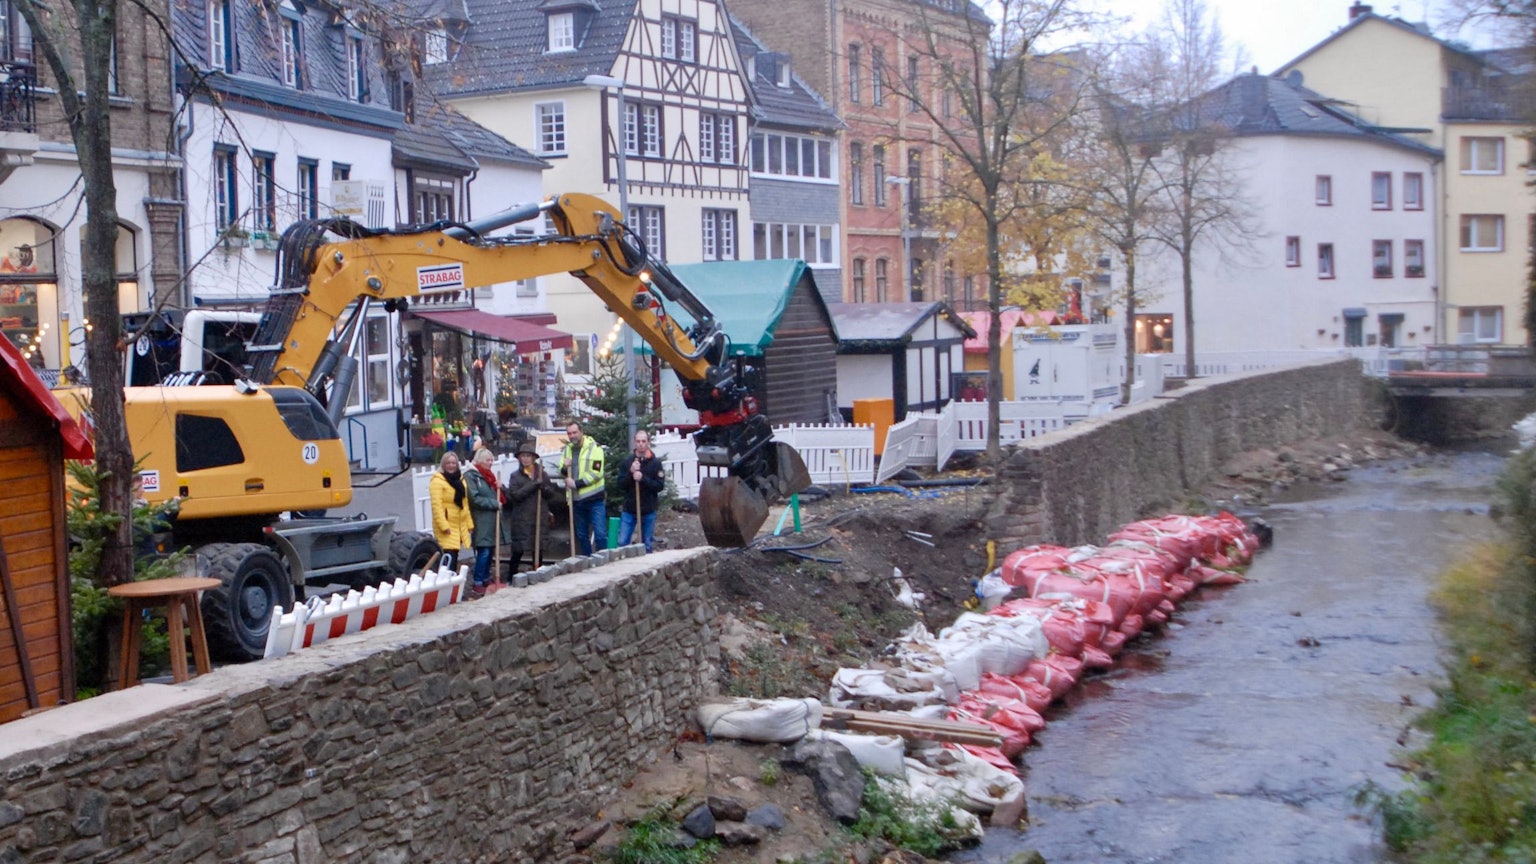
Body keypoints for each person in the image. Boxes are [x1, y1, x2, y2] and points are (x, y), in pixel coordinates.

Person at [503, 442, 558, 571]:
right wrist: (533, 485)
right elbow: (515, 495)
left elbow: (551, 494)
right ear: (519, 458)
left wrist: (542, 486)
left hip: (538, 517)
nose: (526, 459)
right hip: (522, 519)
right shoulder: (515, 476)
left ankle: (537, 574)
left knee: (538, 549)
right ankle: (512, 576)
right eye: (523, 456)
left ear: (533, 458)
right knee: (518, 550)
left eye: (528, 456)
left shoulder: (542, 474)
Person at [558, 420, 607, 555]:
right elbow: (561, 470)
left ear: (581, 432)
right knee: (581, 535)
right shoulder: (568, 450)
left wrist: (577, 483)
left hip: (594, 498)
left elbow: (597, 473)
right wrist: (564, 467)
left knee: (600, 534)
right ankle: (587, 562)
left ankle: (604, 563)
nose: (572, 436)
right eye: (569, 433)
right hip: (576, 500)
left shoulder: (594, 448)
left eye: (574, 432)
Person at [617, 429, 666, 553]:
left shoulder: (655, 463)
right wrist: (630, 473)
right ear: (634, 443)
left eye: (643, 441)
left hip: (648, 509)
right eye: (638, 441)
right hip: (630, 509)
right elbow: (620, 484)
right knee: (622, 542)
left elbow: (659, 486)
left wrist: (642, 478)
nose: (641, 444)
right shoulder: (628, 462)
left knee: (646, 544)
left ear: (648, 442)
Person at [464, 447, 503, 596]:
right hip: (480, 519)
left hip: (490, 519)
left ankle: (486, 577)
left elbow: (493, 493)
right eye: (488, 460)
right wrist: (493, 504)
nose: (491, 462)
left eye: (492, 459)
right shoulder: (471, 476)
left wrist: (500, 488)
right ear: (480, 460)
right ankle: (478, 581)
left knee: (490, 549)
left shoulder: (487, 476)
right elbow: (474, 499)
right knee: (484, 551)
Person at [429, 451, 473, 572]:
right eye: (448, 463)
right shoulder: (437, 481)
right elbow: (436, 506)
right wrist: (444, 525)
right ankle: (447, 582)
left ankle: (452, 580)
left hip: (458, 524)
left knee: (455, 553)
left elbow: (465, 504)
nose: (451, 465)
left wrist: (469, 524)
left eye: (453, 463)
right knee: (448, 555)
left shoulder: (460, 480)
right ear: (443, 464)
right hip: (447, 524)